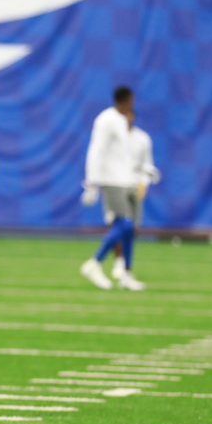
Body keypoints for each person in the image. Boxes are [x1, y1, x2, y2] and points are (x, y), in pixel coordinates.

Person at [80, 87, 145, 290]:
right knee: (124, 225)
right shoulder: (106, 119)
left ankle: (126, 273)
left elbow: (122, 155)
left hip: (126, 180)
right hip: (111, 181)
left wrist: (141, 171)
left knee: (129, 229)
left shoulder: (121, 121)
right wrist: (91, 182)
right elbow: (96, 150)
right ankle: (94, 262)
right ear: (127, 99)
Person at [110, 110, 160, 280]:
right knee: (117, 225)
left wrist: (144, 183)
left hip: (134, 187)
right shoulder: (113, 139)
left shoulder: (142, 138)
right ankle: (118, 261)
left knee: (132, 228)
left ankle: (126, 265)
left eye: (129, 115)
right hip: (116, 186)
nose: (127, 119)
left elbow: (147, 165)